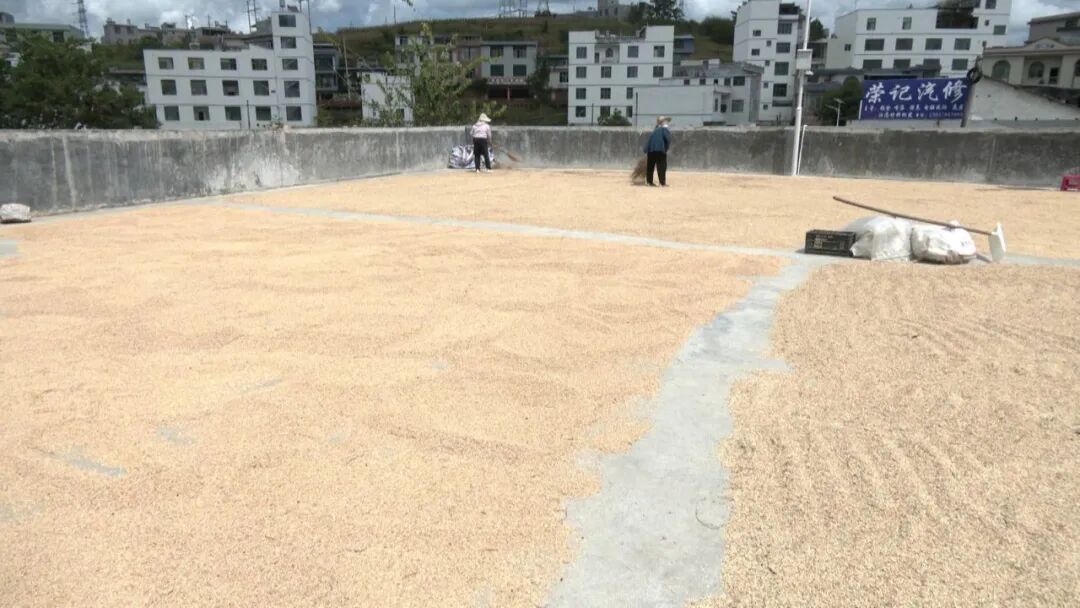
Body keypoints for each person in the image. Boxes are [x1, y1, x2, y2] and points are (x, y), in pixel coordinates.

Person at [644, 116, 672, 187]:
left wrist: (646, 150)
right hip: (660, 149)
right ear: (663, 122)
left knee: (650, 166)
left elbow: (649, 140)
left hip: (651, 150)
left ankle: (649, 182)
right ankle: (662, 183)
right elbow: (667, 139)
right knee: (662, 166)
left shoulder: (655, 130)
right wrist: (666, 149)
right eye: (666, 121)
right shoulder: (664, 129)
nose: (667, 122)